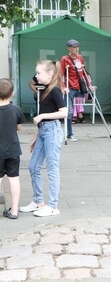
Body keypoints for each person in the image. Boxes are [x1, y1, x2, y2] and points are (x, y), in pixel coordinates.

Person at [20, 60, 68, 217]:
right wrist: (36, 135)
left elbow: (64, 112)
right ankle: (38, 201)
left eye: (39, 73)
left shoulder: (54, 90)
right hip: (43, 131)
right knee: (33, 166)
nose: (36, 76)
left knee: (52, 168)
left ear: (49, 74)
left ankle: (53, 205)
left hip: (52, 131)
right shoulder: (45, 89)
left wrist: (42, 117)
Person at [0, 78, 24, 220]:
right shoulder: (17, 109)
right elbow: (18, 127)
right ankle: (14, 210)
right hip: (13, 151)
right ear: (12, 93)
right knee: (14, 179)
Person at [60, 39, 93, 142]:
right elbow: (61, 75)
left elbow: (83, 72)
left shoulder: (80, 57)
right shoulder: (65, 59)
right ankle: (69, 134)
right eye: (74, 47)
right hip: (69, 88)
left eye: (77, 47)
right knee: (69, 112)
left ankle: (70, 131)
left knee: (81, 106)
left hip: (79, 87)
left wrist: (89, 85)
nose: (76, 49)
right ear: (69, 48)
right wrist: (63, 87)